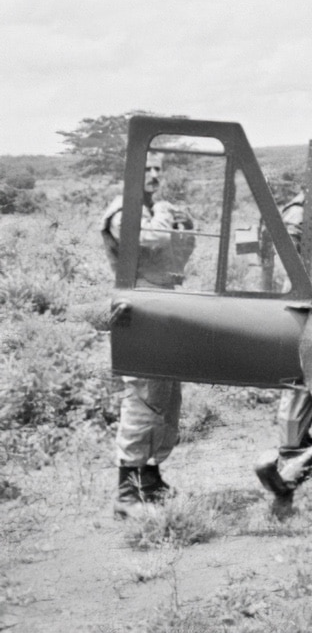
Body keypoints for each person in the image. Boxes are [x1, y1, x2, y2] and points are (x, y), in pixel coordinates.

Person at [100, 152, 196, 518]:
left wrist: (185, 228)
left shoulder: (153, 208)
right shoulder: (124, 211)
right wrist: (166, 217)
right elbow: (151, 242)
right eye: (148, 169)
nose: (155, 175)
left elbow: (176, 258)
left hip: (161, 303)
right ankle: (127, 493)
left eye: (159, 169)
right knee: (142, 397)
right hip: (138, 307)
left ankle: (150, 478)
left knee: (165, 395)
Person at [270, 191, 312, 459]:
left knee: (310, 372)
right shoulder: (299, 212)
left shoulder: (311, 208)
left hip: (309, 298)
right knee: (298, 374)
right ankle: (290, 446)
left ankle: (299, 436)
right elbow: (288, 255)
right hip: (300, 300)